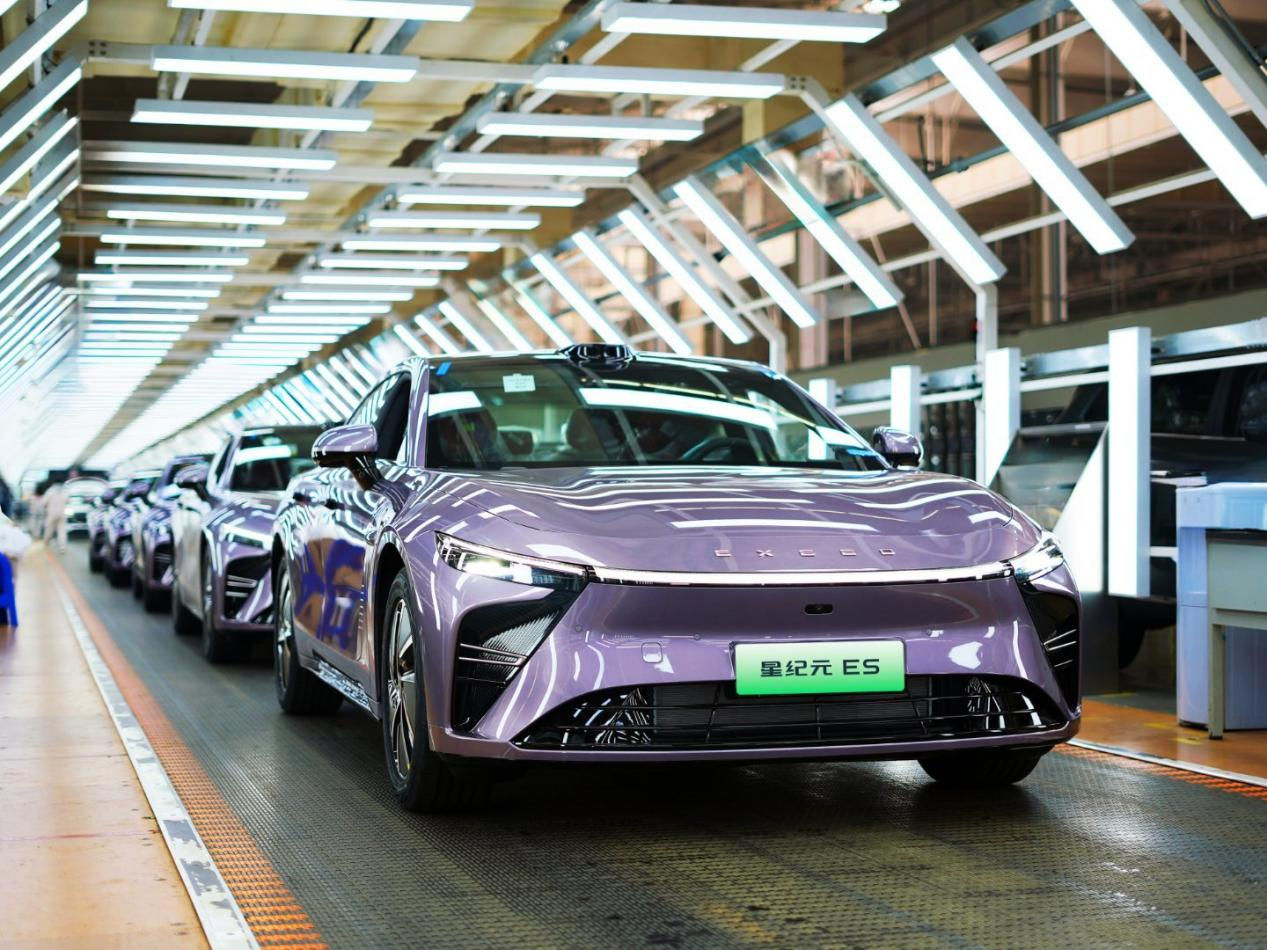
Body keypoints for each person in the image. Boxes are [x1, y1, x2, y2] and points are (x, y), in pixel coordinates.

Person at [42, 481, 67, 553]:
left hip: (51, 513)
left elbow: (44, 502)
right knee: (62, 530)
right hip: (62, 513)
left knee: (49, 528)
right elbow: (68, 501)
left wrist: (46, 508)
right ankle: (62, 547)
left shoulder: (50, 491)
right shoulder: (65, 491)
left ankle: (46, 542)